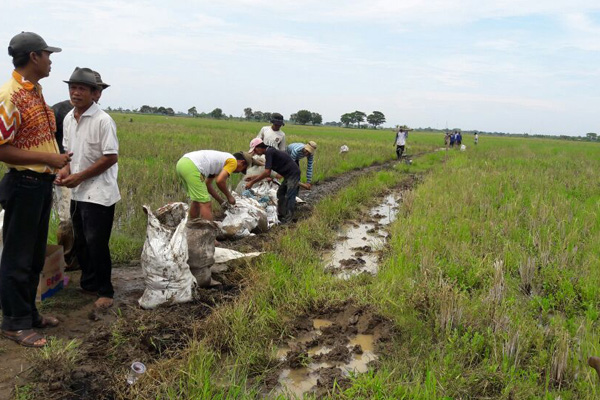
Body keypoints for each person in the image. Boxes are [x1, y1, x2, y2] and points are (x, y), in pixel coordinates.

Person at [0, 32, 70, 348]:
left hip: (40, 185)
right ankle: (14, 324)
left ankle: (28, 315)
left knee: (32, 256)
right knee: (17, 257)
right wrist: (49, 158)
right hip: (24, 185)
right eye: (47, 54)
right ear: (33, 57)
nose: (51, 59)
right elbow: (2, 150)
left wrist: (55, 163)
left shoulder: (35, 91)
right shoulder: (9, 96)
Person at [55, 67, 119, 309]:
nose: (75, 92)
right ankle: (89, 283)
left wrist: (79, 176)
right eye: (72, 87)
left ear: (96, 93)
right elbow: (68, 153)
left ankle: (106, 291)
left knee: (97, 242)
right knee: (81, 239)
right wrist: (64, 172)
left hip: (100, 193)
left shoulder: (103, 121)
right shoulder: (69, 118)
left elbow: (110, 157)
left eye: (82, 88)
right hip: (78, 191)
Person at [176, 150, 252, 220]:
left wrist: (221, 201)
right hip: (192, 166)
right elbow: (220, 181)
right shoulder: (233, 162)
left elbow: (207, 184)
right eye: (242, 170)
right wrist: (229, 197)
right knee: (206, 203)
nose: (238, 172)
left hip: (182, 163)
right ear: (242, 162)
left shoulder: (220, 163)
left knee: (197, 200)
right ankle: (208, 231)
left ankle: (191, 225)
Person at [245, 138, 300, 223]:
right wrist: (253, 178)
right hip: (288, 175)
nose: (255, 152)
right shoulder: (269, 152)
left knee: (290, 196)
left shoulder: (269, 152)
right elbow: (269, 173)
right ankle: (282, 215)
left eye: (255, 150)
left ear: (259, 147)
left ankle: (288, 220)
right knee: (280, 193)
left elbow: (267, 172)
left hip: (293, 174)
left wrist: (252, 182)